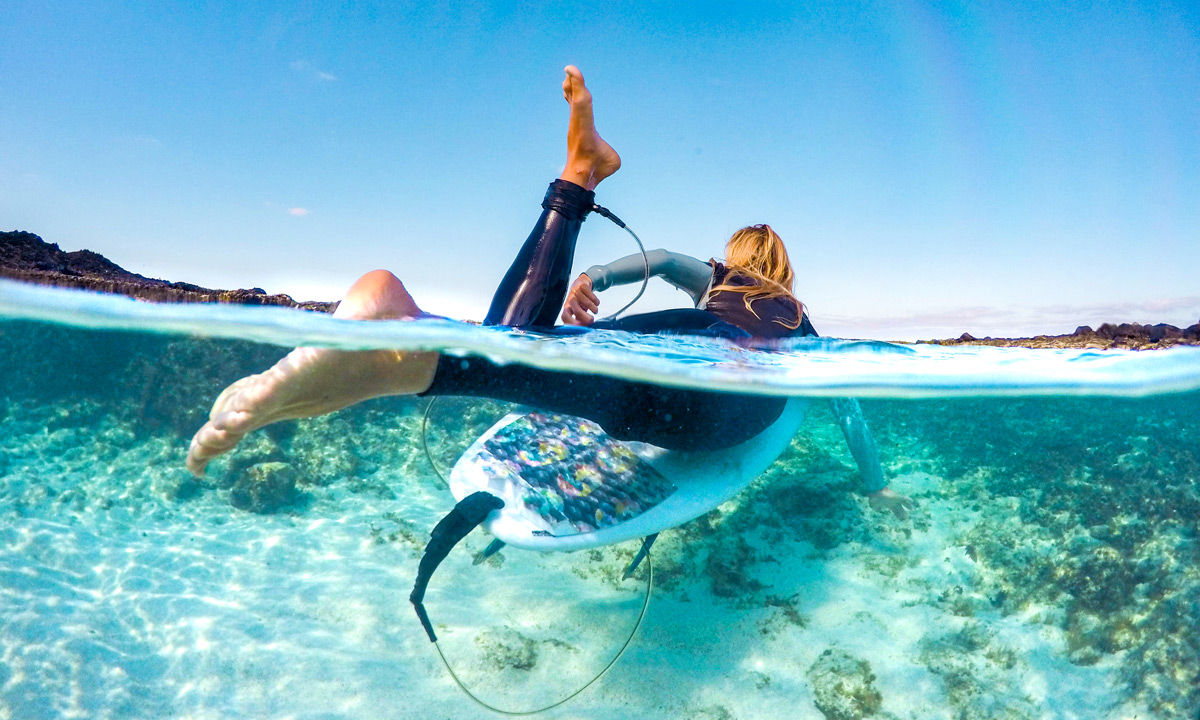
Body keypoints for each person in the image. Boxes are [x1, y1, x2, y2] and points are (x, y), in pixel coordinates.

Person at [186, 66, 913, 519]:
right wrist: (874, 484)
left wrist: (594, 278)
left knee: (512, 353)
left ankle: (409, 328)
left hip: (667, 354)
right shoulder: (801, 321)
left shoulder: (720, 281)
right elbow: (851, 410)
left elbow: (659, 257)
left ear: (737, 260)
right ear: (782, 272)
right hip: (719, 406)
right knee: (543, 367)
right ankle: (571, 183)